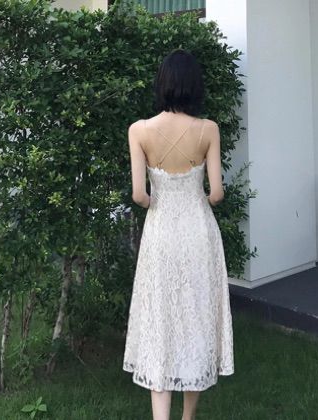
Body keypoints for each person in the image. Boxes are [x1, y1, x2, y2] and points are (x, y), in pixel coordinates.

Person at [123, 49, 234, 420]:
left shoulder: (139, 130)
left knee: (161, 321)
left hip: (161, 233)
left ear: (163, 84)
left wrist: (158, 200)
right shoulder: (208, 129)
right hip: (199, 232)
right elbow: (216, 193)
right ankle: (187, 417)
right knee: (195, 321)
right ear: (194, 86)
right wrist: (197, 196)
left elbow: (139, 195)